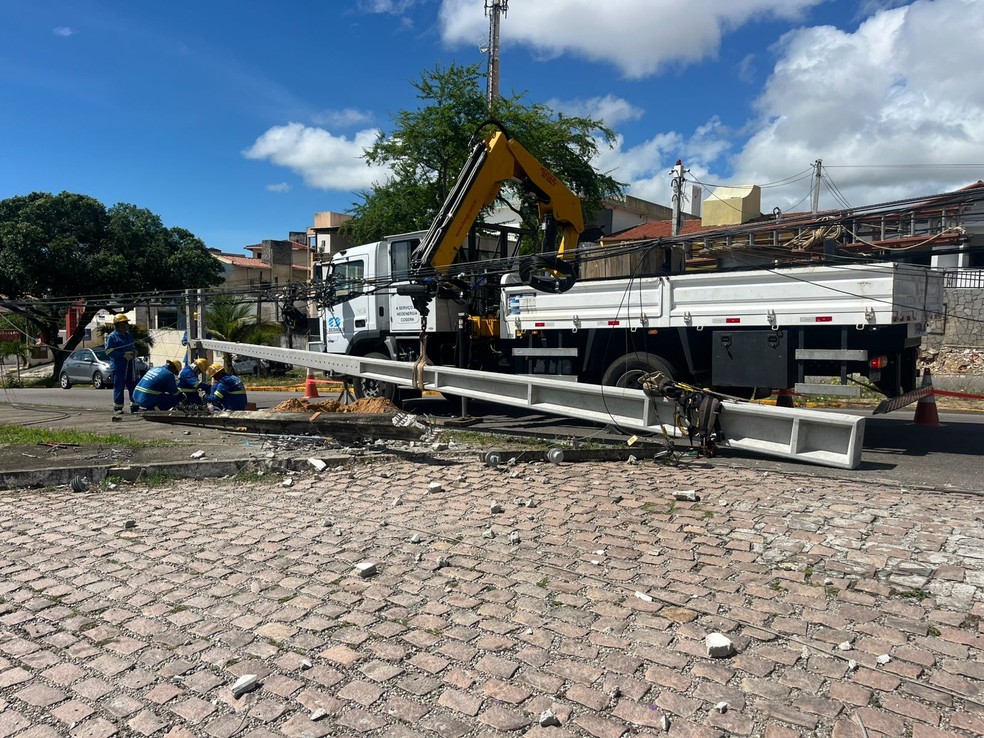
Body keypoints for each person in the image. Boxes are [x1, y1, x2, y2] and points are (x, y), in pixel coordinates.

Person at [104, 313, 138, 415]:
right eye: (125, 323)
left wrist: (134, 353)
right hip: (119, 366)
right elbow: (108, 351)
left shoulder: (128, 335)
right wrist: (123, 355)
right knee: (119, 386)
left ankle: (135, 407)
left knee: (133, 385)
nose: (127, 325)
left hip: (130, 365)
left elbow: (133, 347)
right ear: (119, 325)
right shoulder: (112, 337)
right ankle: (118, 408)